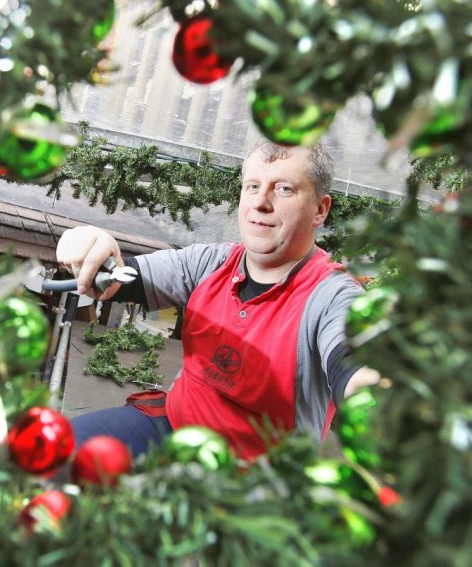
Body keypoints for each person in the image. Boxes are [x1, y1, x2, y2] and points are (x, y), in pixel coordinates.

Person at [56, 141, 380, 460]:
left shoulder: (332, 296)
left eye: (283, 189)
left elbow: (357, 369)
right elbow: (115, 282)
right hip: (174, 428)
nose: (261, 202)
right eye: (252, 186)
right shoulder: (210, 264)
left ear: (320, 210)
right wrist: (89, 246)